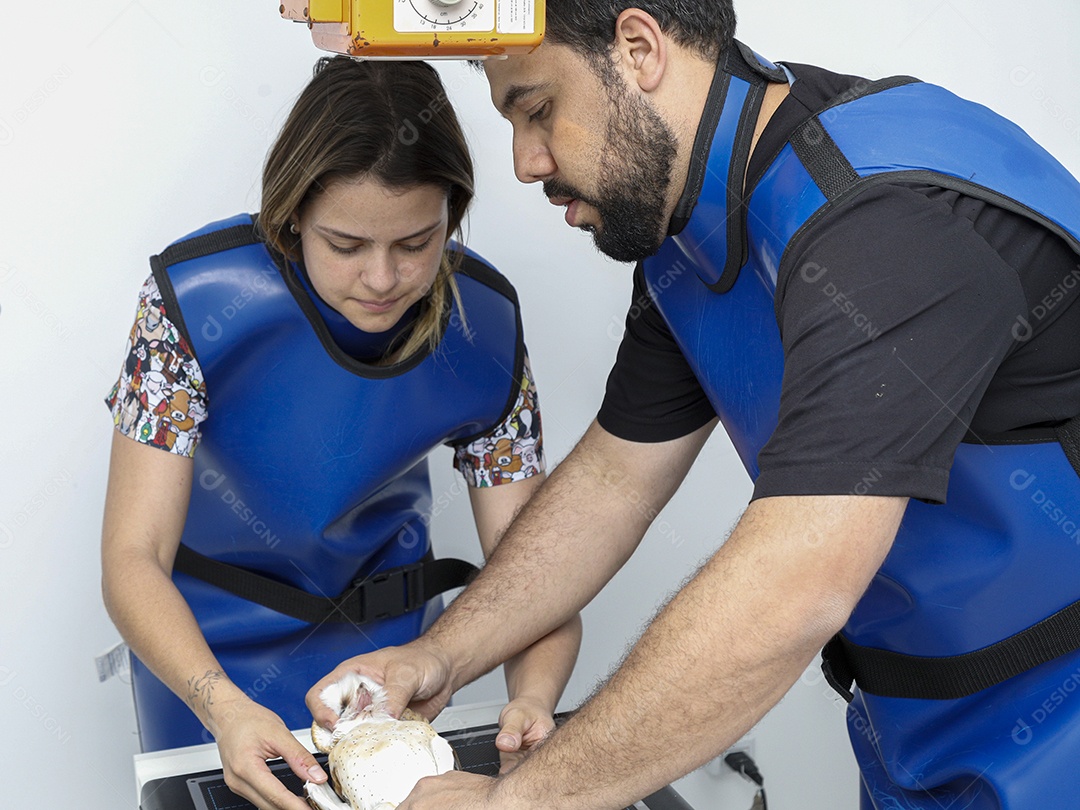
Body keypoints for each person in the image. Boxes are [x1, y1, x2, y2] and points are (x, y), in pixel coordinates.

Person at [306, 3, 1080, 809]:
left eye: (538, 110)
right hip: (914, 731)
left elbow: (795, 583)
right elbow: (613, 480)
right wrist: (439, 657)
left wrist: (516, 802)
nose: (525, 162)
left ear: (638, 48)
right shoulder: (693, 237)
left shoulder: (881, 224)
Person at [101, 56, 581, 810]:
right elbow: (132, 558)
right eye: (347, 246)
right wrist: (222, 705)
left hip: (389, 678)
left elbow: (538, 570)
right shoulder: (189, 302)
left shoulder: (486, 322)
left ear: (453, 214)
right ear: (291, 216)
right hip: (205, 665)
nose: (383, 280)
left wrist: (534, 699)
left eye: (416, 243)